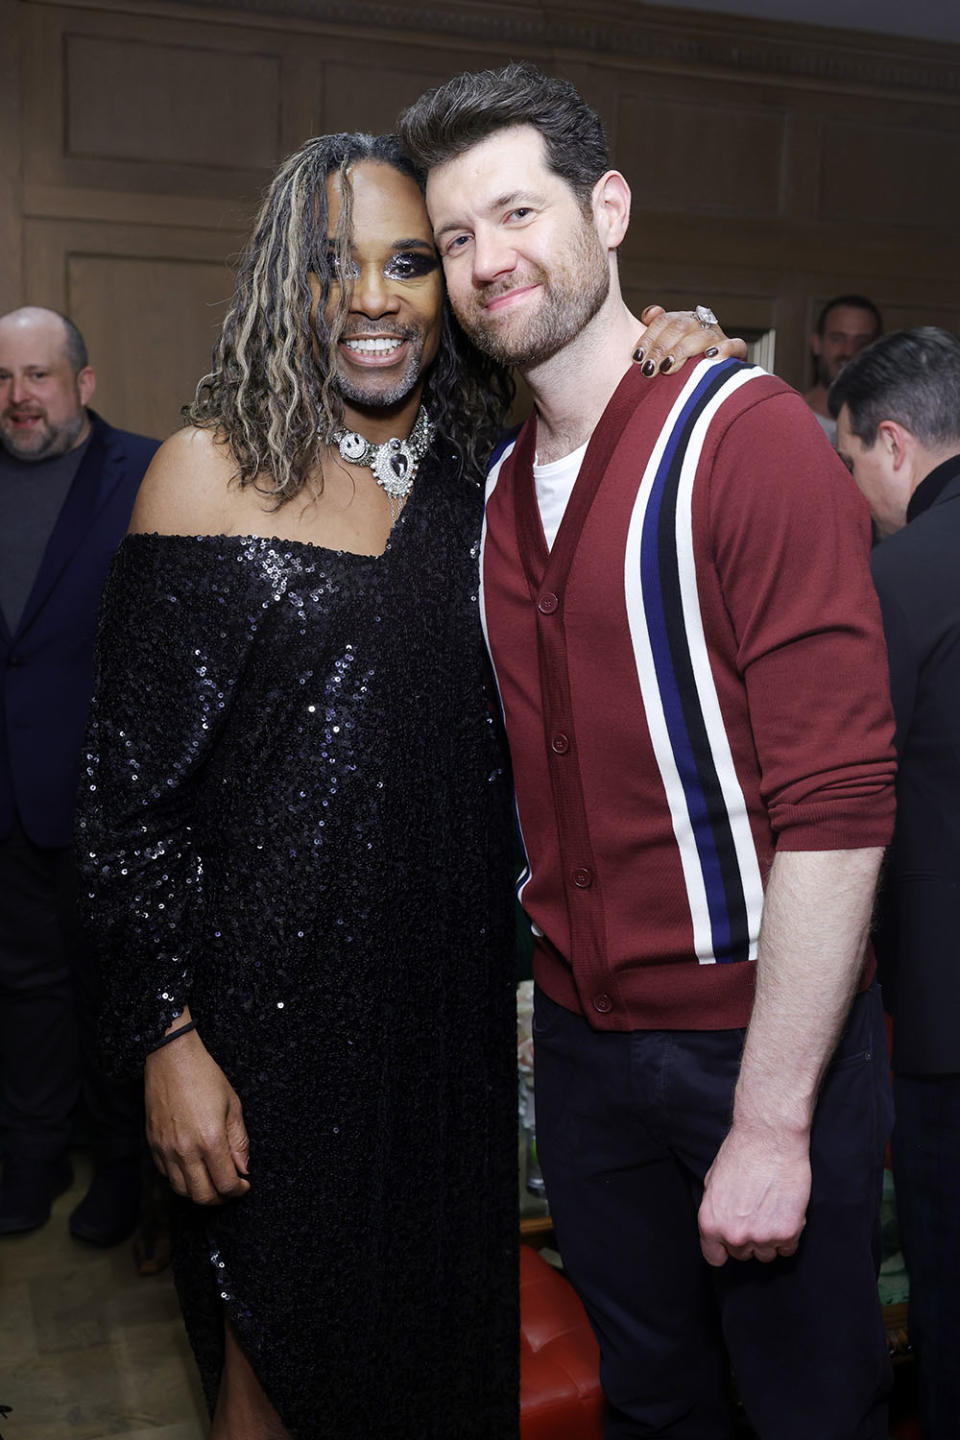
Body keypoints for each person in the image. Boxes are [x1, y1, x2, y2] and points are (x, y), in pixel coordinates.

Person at [77, 130, 735, 1437]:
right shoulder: (207, 474)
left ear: (452, 288)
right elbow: (123, 810)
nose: (373, 296)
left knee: (439, 1362)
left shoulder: (480, 476)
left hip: (447, 1030)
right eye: (336, 264)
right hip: (264, 1036)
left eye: (411, 262)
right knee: (273, 1369)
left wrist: (683, 343)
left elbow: (632, 471)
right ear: (283, 282)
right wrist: (165, 1039)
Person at [400, 65, 899, 1439]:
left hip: (753, 1042)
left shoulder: (748, 440)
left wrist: (773, 1121)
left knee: (805, 1413)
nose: (489, 259)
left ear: (606, 208)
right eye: (456, 238)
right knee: (657, 1407)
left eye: (517, 212)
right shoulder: (495, 489)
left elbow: (842, 807)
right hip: (580, 1051)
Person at [0, 306, 157, 1242]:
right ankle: (31, 1154)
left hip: (114, 798)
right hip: (8, 799)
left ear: (83, 384)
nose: (19, 397)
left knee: (113, 994)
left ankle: (123, 1171)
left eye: (39, 376)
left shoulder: (146, 473)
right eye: (4, 379)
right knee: (23, 994)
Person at [830, 326, 960, 1440]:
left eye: (850, 467)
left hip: (945, 1027)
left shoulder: (897, 578)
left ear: (892, 445)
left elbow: (848, 807)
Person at [803, 292, 882, 444]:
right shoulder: (791, 418)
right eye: (837, 339)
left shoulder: (889, 427)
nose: (848, 351)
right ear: (816, 344)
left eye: (862, 342)